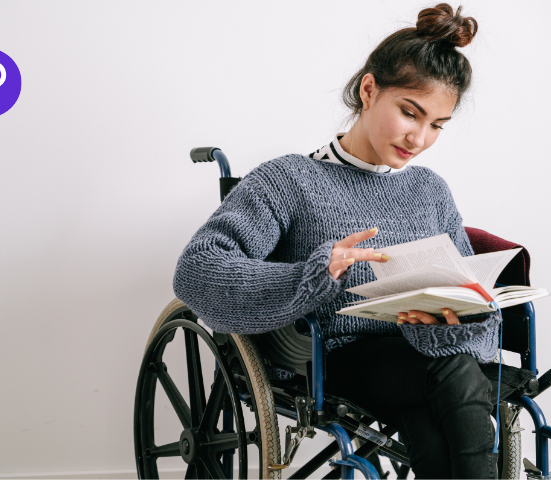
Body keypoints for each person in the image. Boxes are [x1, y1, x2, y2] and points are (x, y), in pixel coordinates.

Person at [173, 4, 500, 479]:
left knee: (433, 427)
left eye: (436, 125)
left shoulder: (429, 190)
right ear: (370, 90)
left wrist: (451, 316)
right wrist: (314, 274)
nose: (420, 138)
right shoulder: (289, 179)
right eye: (410, 112)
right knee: (452, 371)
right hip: (334, 357)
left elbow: (471, 301)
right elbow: (197, 269)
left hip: (419, 362)